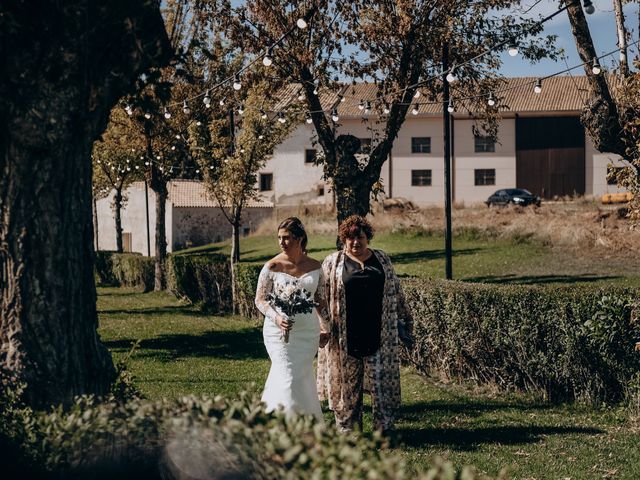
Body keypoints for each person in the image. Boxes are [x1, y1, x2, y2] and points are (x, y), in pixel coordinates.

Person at [316, 215, 413, 433]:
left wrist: (405, 320)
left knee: (381, 385)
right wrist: (323, 326)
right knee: (347, 387)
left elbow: (396, 291)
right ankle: (349, 430)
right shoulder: (333, 262)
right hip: (345, 337)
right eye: (349, 238)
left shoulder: (382, 259)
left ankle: (384, 431)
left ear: (367, 237)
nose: (355, 242)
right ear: (343, 240)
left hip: (379, 334)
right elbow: (320, 296)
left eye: (359, 237)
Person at [255, 217, 330, 420]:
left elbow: (320, 300)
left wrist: (326, 327)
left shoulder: (315, 266)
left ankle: (307, 422)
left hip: (307, 333)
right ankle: (282, 423)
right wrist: (277, 318)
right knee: (287, 374)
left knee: (302, 376)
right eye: (279, 238)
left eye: (286, 238)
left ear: (300, 239)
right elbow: (260, 300)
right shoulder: (272, 266)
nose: (281, 242)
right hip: (278, 332)